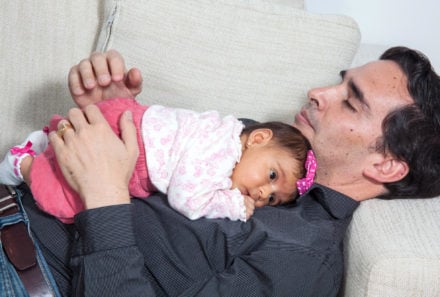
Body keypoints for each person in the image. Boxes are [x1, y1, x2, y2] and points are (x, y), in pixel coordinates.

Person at [13, 46, 440, 296]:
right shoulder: (263, 138)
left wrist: (103, 199)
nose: (318, 93)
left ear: (385, 165)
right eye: (339, 81)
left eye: (350, 101)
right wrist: (121, 118)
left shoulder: (303, 261)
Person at [0, 100, 311, 223]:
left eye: (273, 198)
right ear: (257, 139)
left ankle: (44, 142)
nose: (261, 193)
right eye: (272, 174)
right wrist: (230, 206)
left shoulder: (221, 129)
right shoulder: (222, 153)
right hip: (128, 148)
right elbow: (186, 199)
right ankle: (25, 163)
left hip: (128, 120)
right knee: (70, 205)